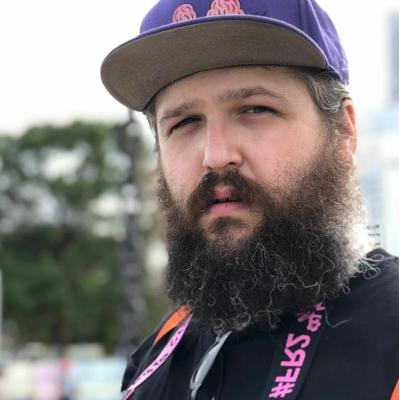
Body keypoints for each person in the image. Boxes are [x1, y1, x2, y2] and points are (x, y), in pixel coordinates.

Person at [101, 1, 399, 399]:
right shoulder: (154, 362)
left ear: (343, 133)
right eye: (185, 122)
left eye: (255, 109)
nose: (215, 155)